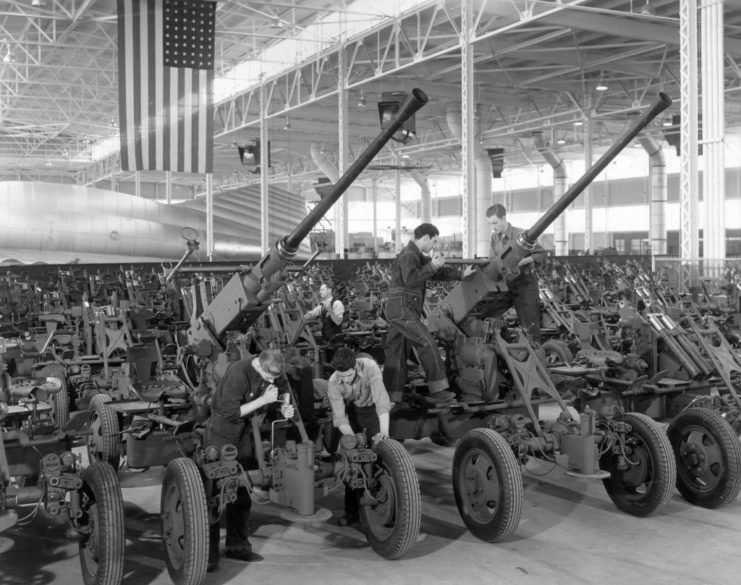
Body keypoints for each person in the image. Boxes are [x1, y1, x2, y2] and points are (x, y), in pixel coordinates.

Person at [204, 348, 294, 572]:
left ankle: (237, 546)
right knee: (213, 492)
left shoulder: (274, 371)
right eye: (269, 377)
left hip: (245, 432)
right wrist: (264, 399)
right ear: (259, 365)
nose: (274, 380)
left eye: (276, 376)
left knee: (242, 490)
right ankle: (208, 555)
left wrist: (285, 406)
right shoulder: (238, 374)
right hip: (222, 431)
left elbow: (284, 390)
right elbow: (230, 412)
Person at [383, 223, 475, 404]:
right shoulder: (410, 255)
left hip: (398, 309)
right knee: (426, 342)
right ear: (425, 237)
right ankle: (439, 390)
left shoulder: (415, 255)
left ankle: (391, 397)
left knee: (397, 353)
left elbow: (435, 273)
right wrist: (432, 265)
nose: (433, 246)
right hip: (403, 309)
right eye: (433, 241)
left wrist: (461, 274)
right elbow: (411, 280)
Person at [326, 347, 391, 526]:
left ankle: (386, 511)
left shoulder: (370, 367)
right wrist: (354, 439)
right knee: (353, 462)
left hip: (373, 413)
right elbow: (340, 417)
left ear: (355, 366)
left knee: (380, 458)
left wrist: (384, 432)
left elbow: (381, 402)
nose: (345, 380)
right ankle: (352, 515)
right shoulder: (333, 381)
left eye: (348, 376)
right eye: (341, 377)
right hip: (352, 415)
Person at [484, 203, 547, 343]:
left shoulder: (522, 236)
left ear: (503, 218)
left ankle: (535, 355)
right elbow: (492, 260)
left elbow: (541, 255)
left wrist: (521, 262)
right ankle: (505, 346)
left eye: (495, 223)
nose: (493, 227)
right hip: (506, 285)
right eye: (490, 224)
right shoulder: (495, 238)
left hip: (525, 285)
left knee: (530, 326)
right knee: (488, 313)